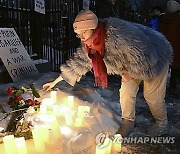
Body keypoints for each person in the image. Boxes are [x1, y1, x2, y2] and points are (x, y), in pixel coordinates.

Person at [43, 10, 173, 137]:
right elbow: (77, 65)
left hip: (156, 55)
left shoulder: (119, 35)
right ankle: (128, 122)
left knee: (152, 96)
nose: (81, 37)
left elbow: (145, 54)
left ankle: (162, 123)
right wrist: (54, 82)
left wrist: (131, 74)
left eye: (83, 32)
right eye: (78, 34)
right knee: (126, 91)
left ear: (93, 27)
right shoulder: (90, 45)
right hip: (129, 64)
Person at [159, 0, 180, 96]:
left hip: (164, 46)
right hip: (177, 47)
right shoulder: (178, 20)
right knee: (176, 68)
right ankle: (172, 88)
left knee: (164, 68)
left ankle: (160, 88)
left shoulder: (162, 19)